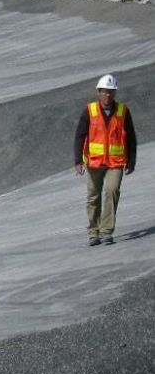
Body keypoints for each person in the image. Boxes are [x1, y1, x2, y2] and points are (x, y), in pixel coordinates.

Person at [74, 74, 137, 246]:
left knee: (112, 190)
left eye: (111, 92)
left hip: (115, 162)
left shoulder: (123, 111)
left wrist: (131, 161)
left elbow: (131, 137)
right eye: (104, 92)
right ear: (98, 92)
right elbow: (80, 135)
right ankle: (93, 232)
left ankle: (106, 231)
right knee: (93, 196)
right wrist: (78, 160)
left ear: (114, 93)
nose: (108, 95)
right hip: (95, 162)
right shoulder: (90, 111)